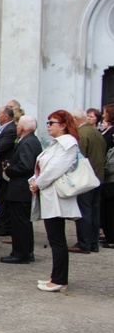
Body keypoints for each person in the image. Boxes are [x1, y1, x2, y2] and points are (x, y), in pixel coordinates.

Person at [30, 110, 81, 292]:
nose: (48, 125)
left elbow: (54, 170)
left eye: (52, 122)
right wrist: (34, 181)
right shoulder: (57, 144)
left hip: (56, 196)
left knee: (57, 239)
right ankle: (56, 276)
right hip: (49, 194)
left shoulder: (68, 143)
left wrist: (38, 183)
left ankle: (60, 279)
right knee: (54, 238)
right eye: (48, 122)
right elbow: (43, 167)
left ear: (63, 125)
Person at [0, 115, 42, 264]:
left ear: (22, 128)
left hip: (21, 187)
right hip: (23, 188)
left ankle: (21, 253)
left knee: (20, 222)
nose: (17, 127)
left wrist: (10, 169)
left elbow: (25, 165)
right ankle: (26, 251)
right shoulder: (31, 141)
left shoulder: (27, 142)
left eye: (18, 125)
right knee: (23, 221)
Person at [69, 109, 106, 254]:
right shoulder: (96, 133)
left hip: (86, 179)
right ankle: (92, 242)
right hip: (97, 177)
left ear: (77, 119)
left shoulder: (82, 134)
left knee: (84, 211)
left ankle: (84, 243)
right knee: (94, 210)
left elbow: (78, 157)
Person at [0, 106, 18, 237]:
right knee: (1, 197)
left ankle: (6, 225)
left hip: (4, 168)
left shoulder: (11, 130)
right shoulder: (5, 129)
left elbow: (0, 148)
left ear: (6, 116)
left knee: (4, 198)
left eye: (0, 114)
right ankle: (0, 221)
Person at [100, 104, 114, 248]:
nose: (103, 116)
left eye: (106, 113)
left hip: (111, 172)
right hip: (108, 171)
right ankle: (109, 234)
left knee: (111, 208)